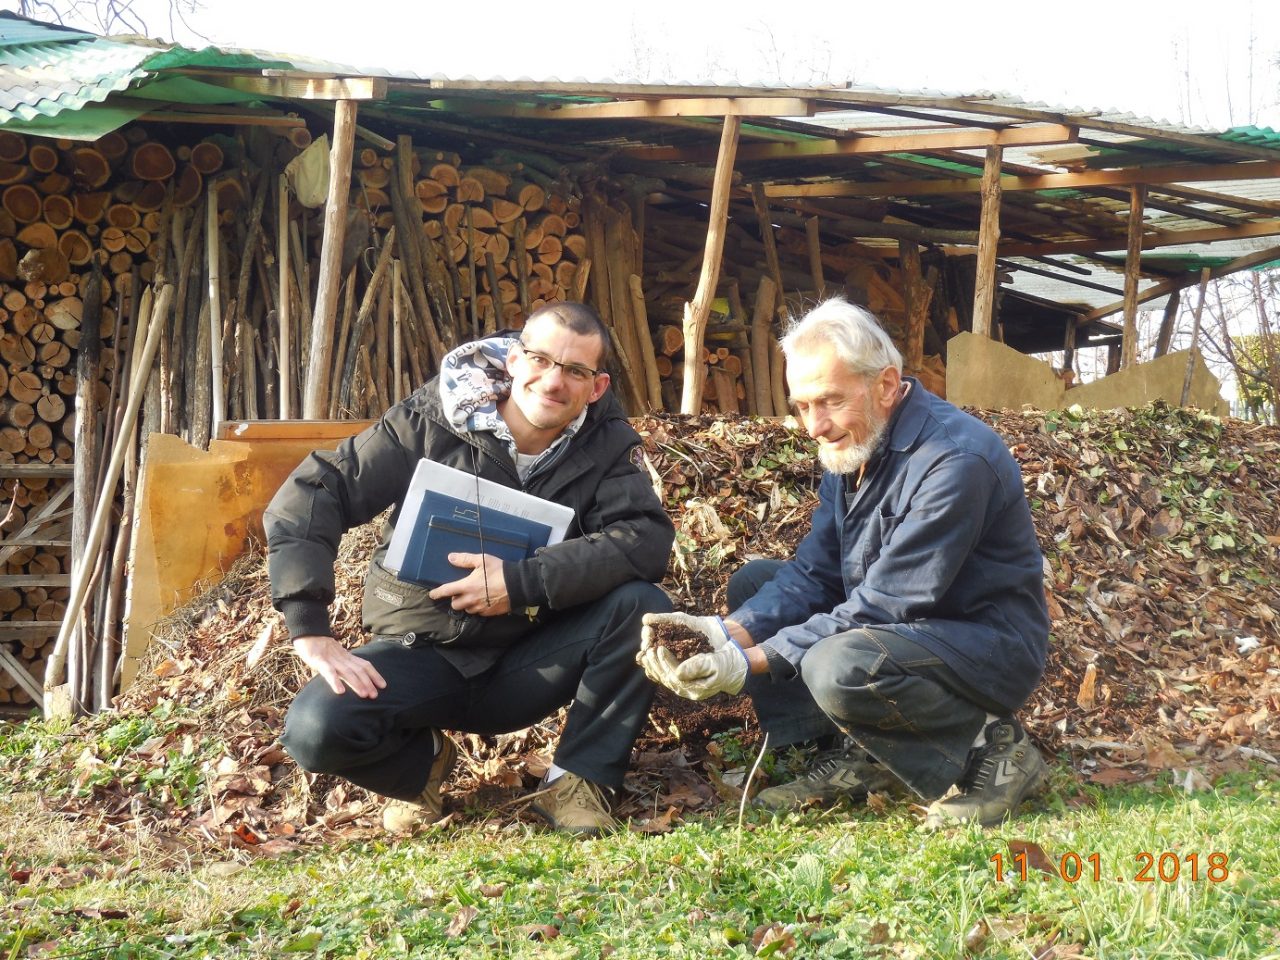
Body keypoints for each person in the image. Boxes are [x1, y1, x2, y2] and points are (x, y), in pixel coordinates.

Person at [639, 297, 1051, 828]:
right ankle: (869, 754)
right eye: (803, 405)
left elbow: (884, 605)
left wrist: (748, 663)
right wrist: (725, 632)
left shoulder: (954, 460)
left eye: (829, 401)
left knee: (837, 664)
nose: (813, 425)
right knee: (755, 585)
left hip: (985, 645)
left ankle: (997, 752)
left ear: (884, 384)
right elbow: (816, 573)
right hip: (908, 634)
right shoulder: (857, 443)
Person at [267, 303, 675, 837]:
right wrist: (308, 627)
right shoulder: (431, 419)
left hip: (532, 657)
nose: (553, 381)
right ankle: (422, 769)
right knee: (315, 730)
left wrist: (520, 581)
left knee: (641, 608)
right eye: (539, 359)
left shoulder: (607, 444)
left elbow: (643, 540)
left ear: (595, 388)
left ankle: (578, 782)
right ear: (512, 358)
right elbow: (315, 493)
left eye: (574, 371)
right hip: (420, 651)